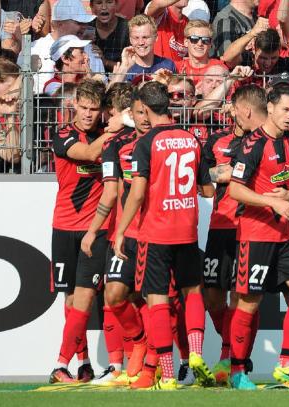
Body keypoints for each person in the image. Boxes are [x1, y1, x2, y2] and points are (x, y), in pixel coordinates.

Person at [114, 80, 215, 390]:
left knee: (156, 299)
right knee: (192, 291)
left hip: (155, 232)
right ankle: (196, 354)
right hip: (187, 230)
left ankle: (168, 375)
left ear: (143, 109)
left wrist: (120, 231)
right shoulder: (191, 139)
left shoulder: (145, 143)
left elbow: (137, 192)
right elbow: (206, 188)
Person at [228, 84, 289, 390]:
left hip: (286, 234)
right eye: (286, 110)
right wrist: (274, 202)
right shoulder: (252, 145)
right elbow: (235, 189)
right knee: (249, 304)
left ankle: (287, 365)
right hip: (257, 234)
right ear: (271, 106)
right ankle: (237, 371)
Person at [78, 83, 151, 387]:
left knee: (152, 298)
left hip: (148, 232)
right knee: (117, 295)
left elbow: (111, 195)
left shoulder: (150, 140)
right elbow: (111, 192)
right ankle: (137, 347)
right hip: (126, 232)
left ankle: (160, 362)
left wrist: (91, 231)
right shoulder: (116, 143)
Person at [202, 84, 268, 386]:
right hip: (219, 224)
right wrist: (222, 173)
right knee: (212, 295)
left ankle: (230, 356)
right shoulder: (216, 140)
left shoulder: (263, 141)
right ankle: (233, 349)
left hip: (246, 226)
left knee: (240, 297)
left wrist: (231, 172)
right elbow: (203, 180)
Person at [49, 79, 111, 384]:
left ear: (101, 110)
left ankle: (61, 364)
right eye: (84, 108)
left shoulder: (104, 134)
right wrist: (111, 131)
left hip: (95, 230)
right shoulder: (60, 133)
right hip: (63, 227)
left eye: (94, 109)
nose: (88, 114)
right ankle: (84, 362)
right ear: (74, 105)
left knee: (85, 299)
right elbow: (86, 155)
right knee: (71, 301)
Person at [26, 0, 105, 94]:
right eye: (78, 22)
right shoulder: (33, 49)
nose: (84, 26)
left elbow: (103, 91)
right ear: (59, 24)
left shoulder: (92, 51)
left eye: (85, 22)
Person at [221, 24, 289, 84]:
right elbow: (227, 57)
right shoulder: (245, 59)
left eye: (274, 57)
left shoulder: (284, 64)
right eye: (263, 58)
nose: (268, 63)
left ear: (280, 50)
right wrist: (251, 34)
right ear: (254, 49)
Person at [111, 14, 176, 83]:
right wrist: (124, 67)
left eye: (145, 37)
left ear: (156, 38)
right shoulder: (125, 68)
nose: (141, 42)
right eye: (136, 38)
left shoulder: (167, 65)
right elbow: (111, 93)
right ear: (130, 40)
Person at [176, 19, 227, 86]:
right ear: (186, 42)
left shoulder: (219, 68)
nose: (200, 44)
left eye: (205, 40)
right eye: (194, 39)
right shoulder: (176, 67)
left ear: (210, 44)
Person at [91, 0, 130, 72]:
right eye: (99, 3)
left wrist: (104, 62)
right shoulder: (87, 28)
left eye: (109, 2)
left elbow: (132, 67)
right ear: (92, 7)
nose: (104, 7)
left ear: (116, 5)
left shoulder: (128, 28)